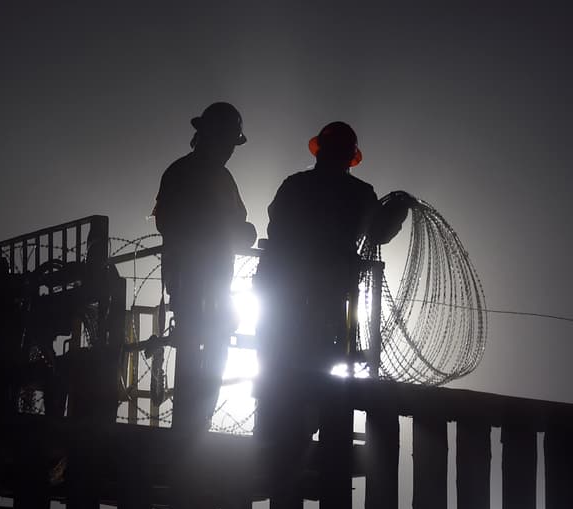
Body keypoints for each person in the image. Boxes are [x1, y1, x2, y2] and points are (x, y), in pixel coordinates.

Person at [254, 121, 412, 441]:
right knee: (320, 370)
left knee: (277, 368)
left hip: (283, 294)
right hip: (327, 301)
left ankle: (274, 441)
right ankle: (312, 438)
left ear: (320, 151)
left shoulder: (294, 185)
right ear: (350, 158)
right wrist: (398, 208)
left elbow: (277, 228)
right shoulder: (358, 193)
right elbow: (379, 232)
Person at [153, 102, 258, 432]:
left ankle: (197, 417)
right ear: (209, 136)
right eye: (226, 141)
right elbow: (167, 221)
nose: (229, 150)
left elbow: (239, 225)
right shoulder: (184, 173)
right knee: (194, 341)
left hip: (211, 278)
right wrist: (220, 230)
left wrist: (239, 232)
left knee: (212, 342)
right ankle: (189, 419)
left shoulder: (217, 177)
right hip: (189, 274)